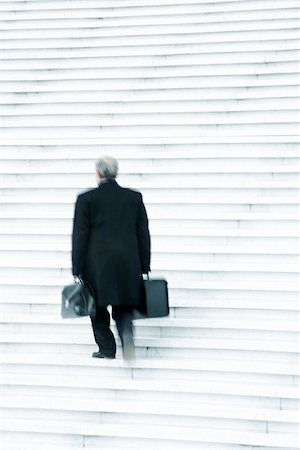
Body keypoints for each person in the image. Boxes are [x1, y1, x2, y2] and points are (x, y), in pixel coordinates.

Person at [72, 156, 151, 360]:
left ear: (98, 174)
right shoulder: (134, 198)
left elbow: (80, 235)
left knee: (96, 306)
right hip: (128, 262)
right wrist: (144, 265)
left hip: (96, 264)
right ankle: (127, 337)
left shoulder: (86, 199)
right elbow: (143, 233)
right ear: (115, 173)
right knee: (123, 304)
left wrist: (77, 268)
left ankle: (106, 348)